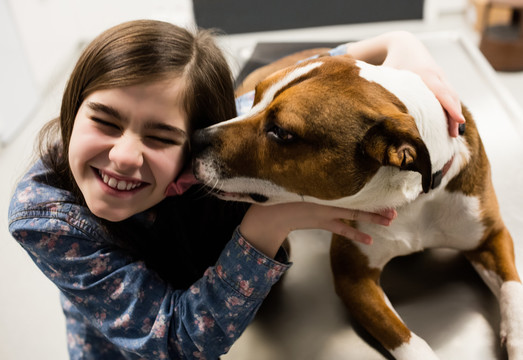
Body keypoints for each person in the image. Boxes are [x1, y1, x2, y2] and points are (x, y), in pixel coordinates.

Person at [8, 20, 464, 360]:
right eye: (105, 121)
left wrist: (405, 45)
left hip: (254, 304)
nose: (126, 156)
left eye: (161, 137)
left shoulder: (217, 134)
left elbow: (327, 76)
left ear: (198, 137)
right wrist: (271, 220)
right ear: (72, 110)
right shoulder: (45, 214)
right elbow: (173, 342)